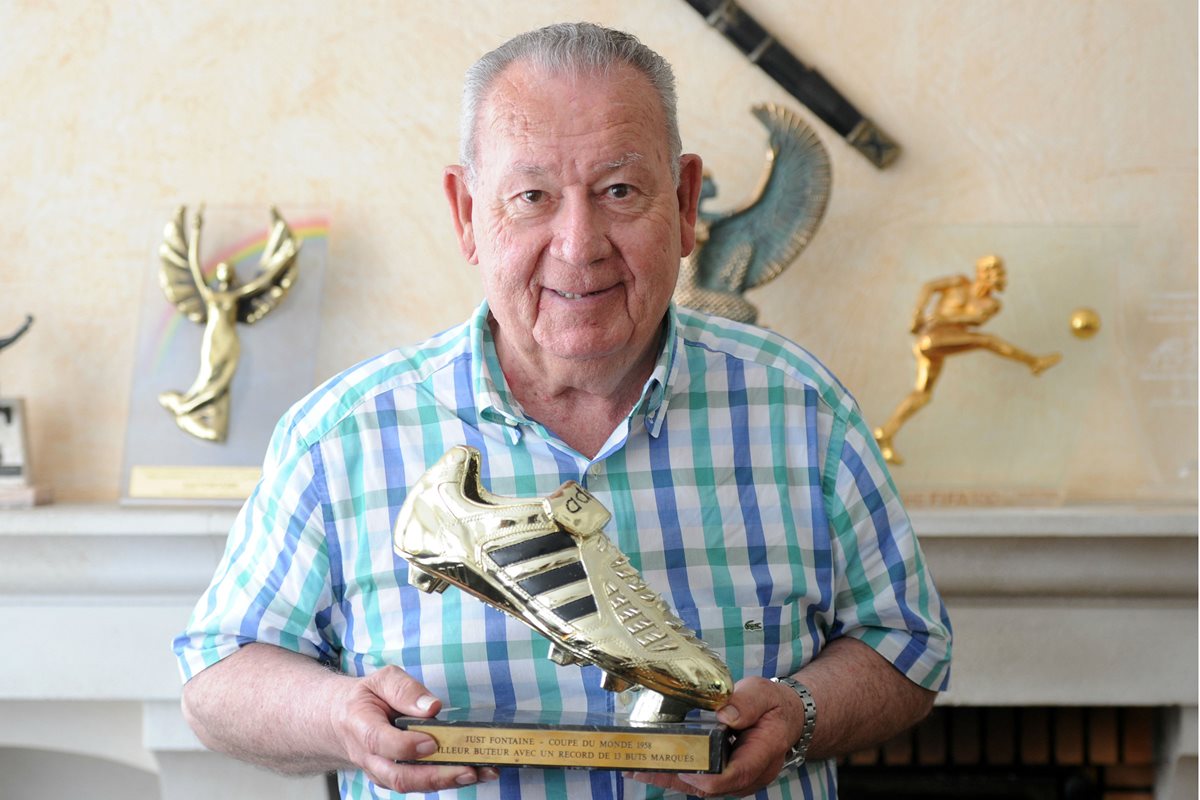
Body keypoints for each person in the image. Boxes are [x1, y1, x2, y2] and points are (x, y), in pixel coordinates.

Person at [174, 22, 951, 800]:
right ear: (466, 210)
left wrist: (802, 714)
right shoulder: (339, 434)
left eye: (619, 191)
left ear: (684, 204)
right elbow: (216, 675)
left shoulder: (804, 410)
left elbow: (906, 646)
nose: (579, 246)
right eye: (532, 197)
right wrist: (338, 714)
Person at [872, 254, 1061, 465]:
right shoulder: (958, 283)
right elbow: (929, 286)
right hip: (929, 339)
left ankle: (885, 433)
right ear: (984, 273)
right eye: (998, 272)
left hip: (943, 343)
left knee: (923, 394)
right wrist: (918, 313)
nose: (1001, 277)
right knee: (987, 340)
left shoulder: (991, 304)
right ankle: (1034, 362)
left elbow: (974, 319)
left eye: (1002, 272)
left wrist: (944, 318)